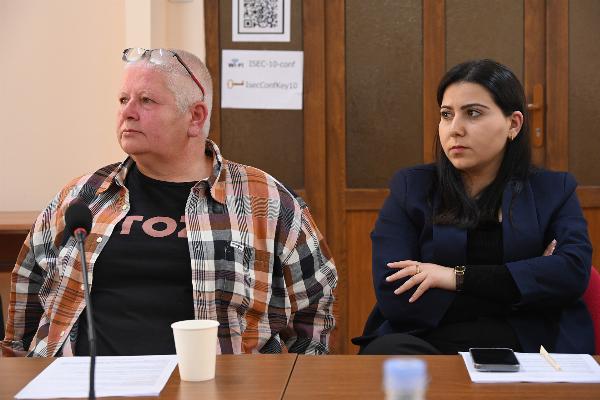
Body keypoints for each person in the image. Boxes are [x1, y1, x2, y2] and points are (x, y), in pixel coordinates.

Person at [1, 48, 337, 357]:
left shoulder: (266, 201)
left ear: (195, 117)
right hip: (81, 385)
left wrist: (294, 384)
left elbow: (314, 310)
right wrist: (20, 377)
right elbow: (28, 292)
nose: (127, 112)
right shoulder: (82, 196)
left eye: (146, 100)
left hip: (217, 387)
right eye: (123, 99)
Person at [355, 59, 593, 355]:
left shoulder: (553, 190)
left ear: (513, 124)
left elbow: (572, 273)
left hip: (527, 344)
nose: (454, 129)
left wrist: (453, 277)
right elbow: (396, 292)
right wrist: (523, 284)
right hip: (427, 340)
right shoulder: (411, 188)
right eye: (446, 114)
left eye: (473, 113)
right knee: (389, 356)